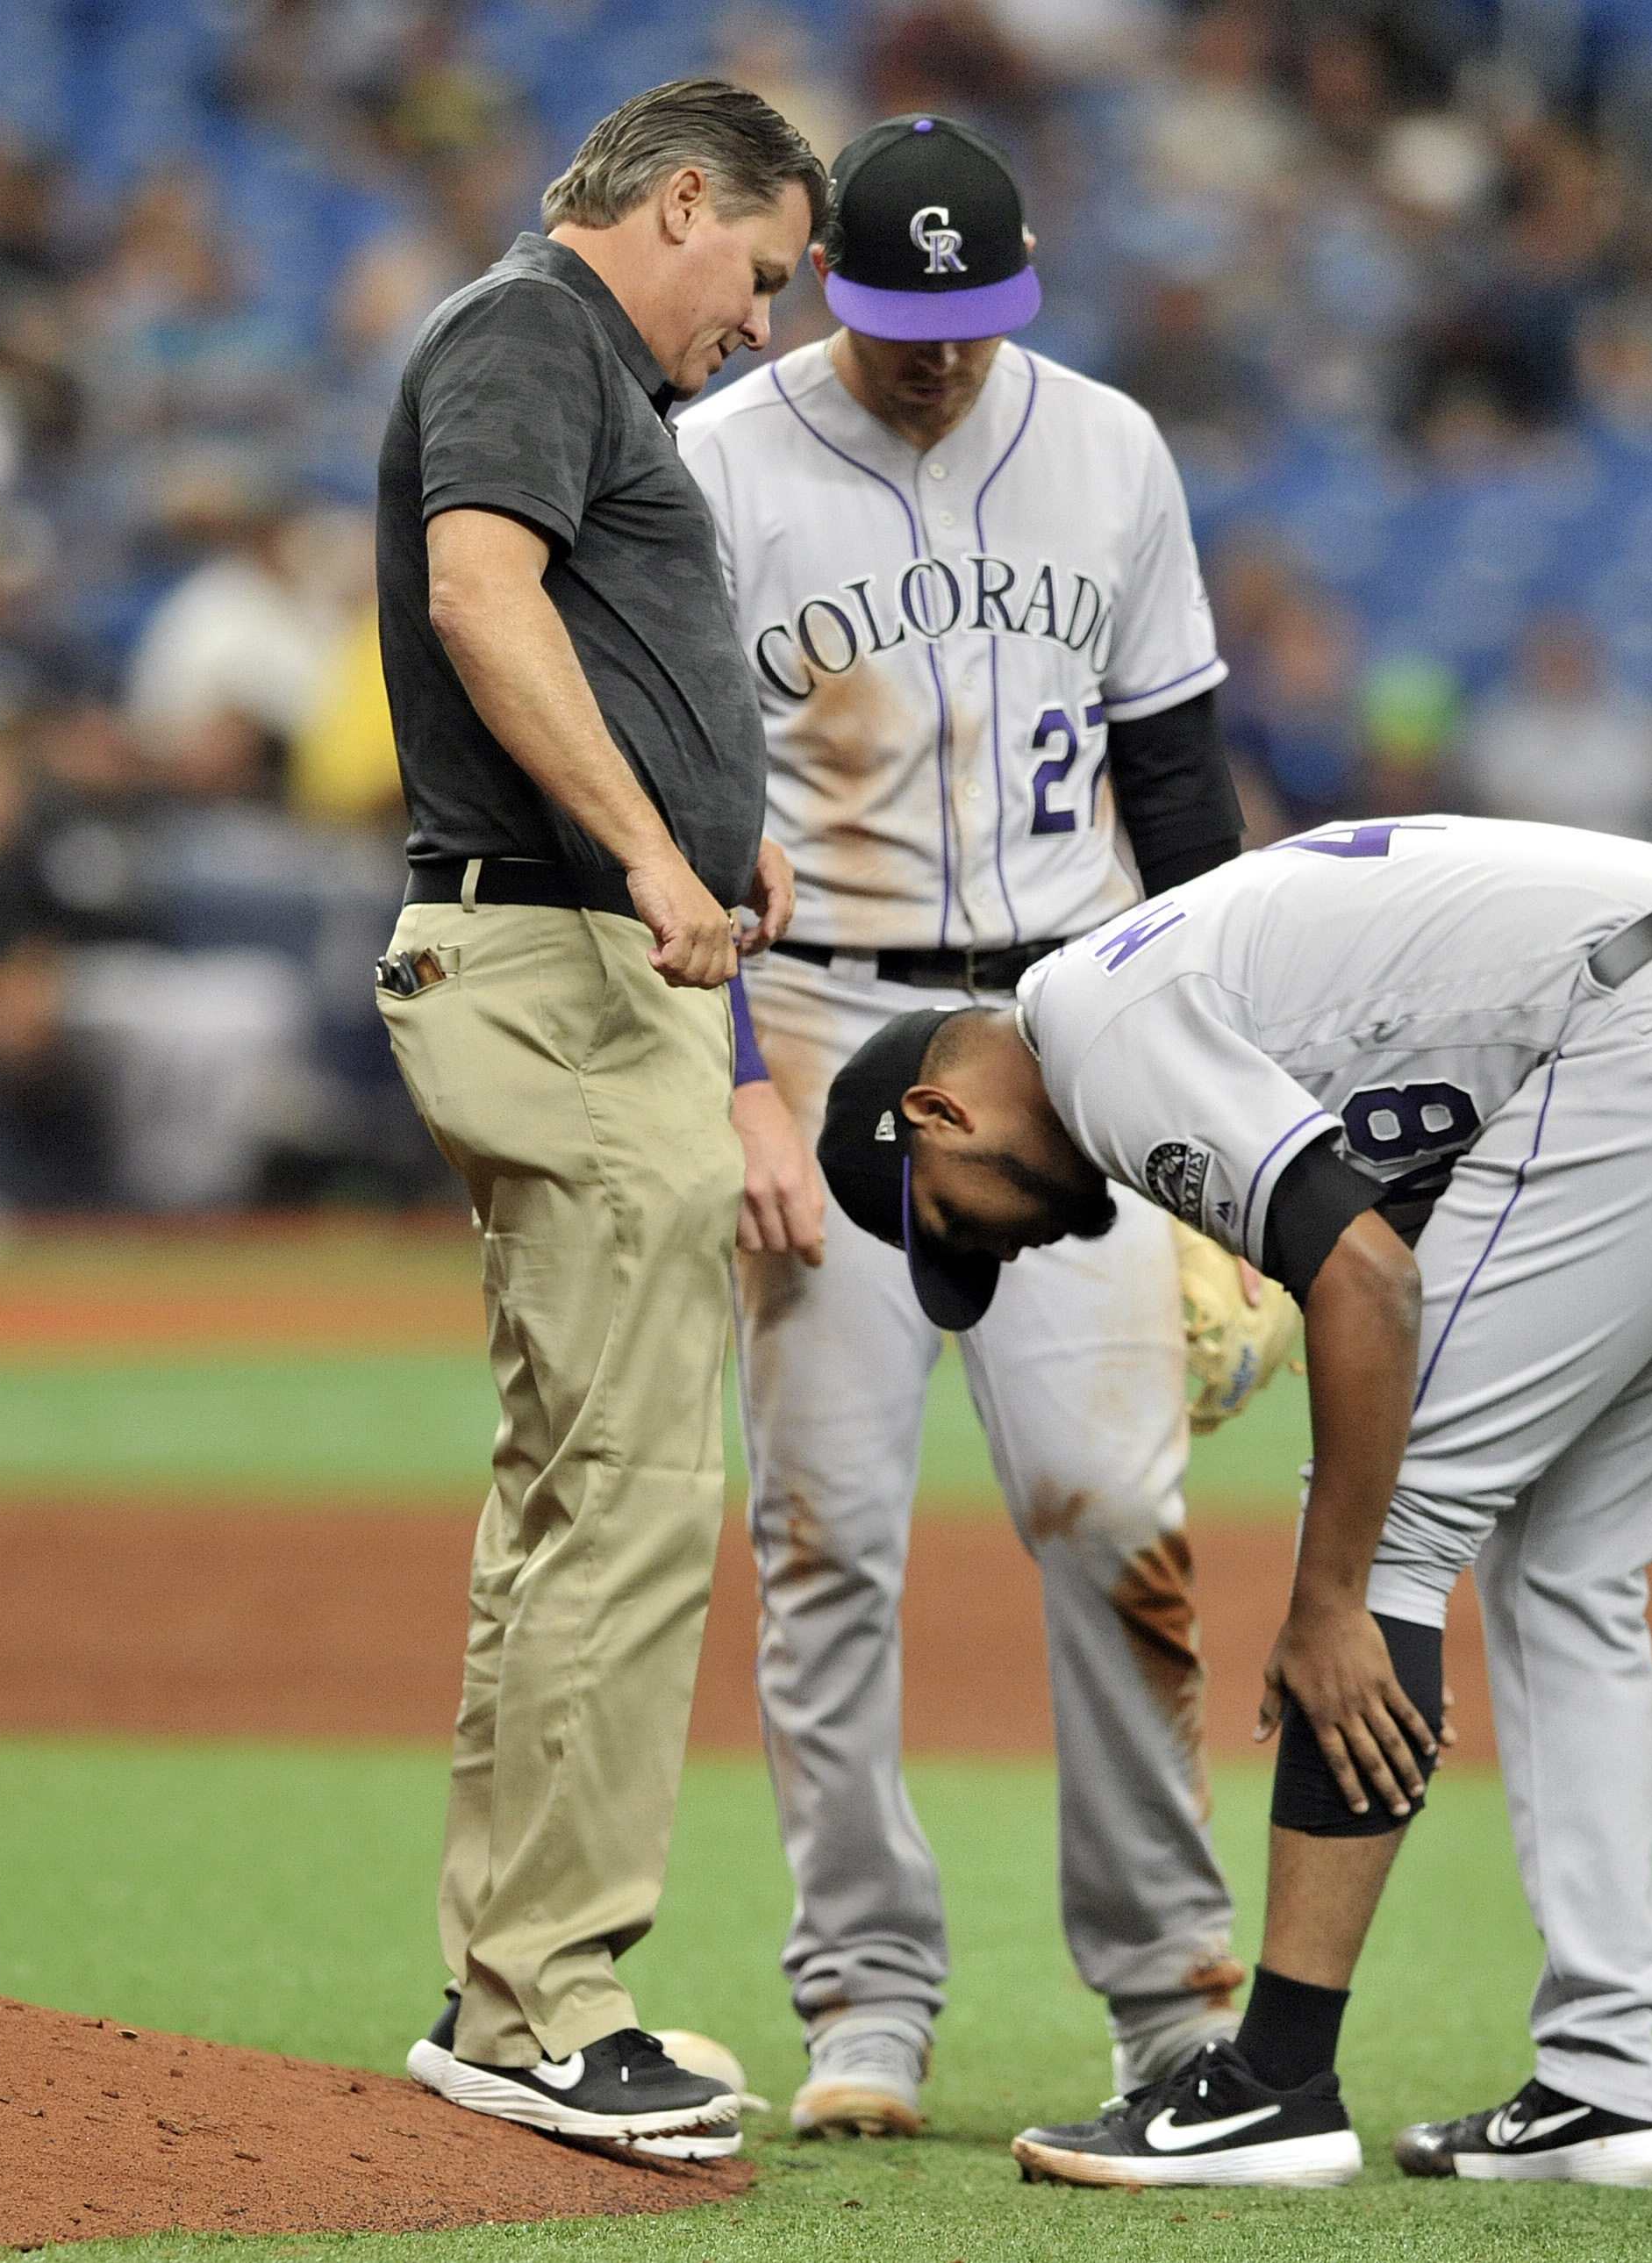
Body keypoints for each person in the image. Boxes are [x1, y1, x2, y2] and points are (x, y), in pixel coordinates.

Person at [813, 815, 1652, 2188]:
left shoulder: (1089, 1020)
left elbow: (1368, 1280)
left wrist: (1327, 1603)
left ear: (938, 1111)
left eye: (957, 1221)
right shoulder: (1132, 1004)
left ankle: (1276, 2082)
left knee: (1391, 1523)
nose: (1005, 1248)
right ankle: (1606, 2083)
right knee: (1567, 1562)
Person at [673, 111, 1251, 2134]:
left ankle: (1175, 1999)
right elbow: (672, 811)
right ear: (827, 274)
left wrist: (1207, 1118)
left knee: (1115, 1521)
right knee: (823, 1537)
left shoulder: (1105, 447)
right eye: (905, 315)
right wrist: (738, 1075)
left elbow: (1182, 791)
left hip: (1070, 1012)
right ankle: (864, 1997)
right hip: (819, 991)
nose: (940, 354)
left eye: (974, 316)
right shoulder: (719, 464)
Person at [372, 79, 823, 2159]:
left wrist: (721, 825)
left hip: (573, 963)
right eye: (760, 270)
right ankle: (554, 1999)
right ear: (676, 202)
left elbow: (578, 622)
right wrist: (660, 848)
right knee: (635, 1493)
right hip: (556, 969)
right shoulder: (530, 330)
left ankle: (503, 1983)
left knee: (575, 1491)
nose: (760, 322)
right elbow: (482, 594)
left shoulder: (574, 361)